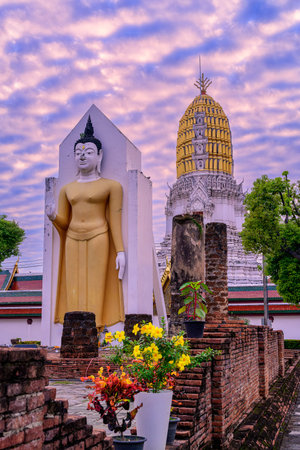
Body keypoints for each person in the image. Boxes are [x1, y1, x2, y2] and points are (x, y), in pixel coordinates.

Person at [46, 116, 125, 328]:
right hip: (72, 237)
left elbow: (114, 219)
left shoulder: (111, 186)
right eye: (78, 153)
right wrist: (53, 216)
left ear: (99, 156)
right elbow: (63, 223)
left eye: (88, 152)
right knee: (73, 285)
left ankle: (96, 329)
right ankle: (73, 329)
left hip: (99, 235)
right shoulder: (67, 189)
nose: (82, 156)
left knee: (95, 284)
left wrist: (120, 251)